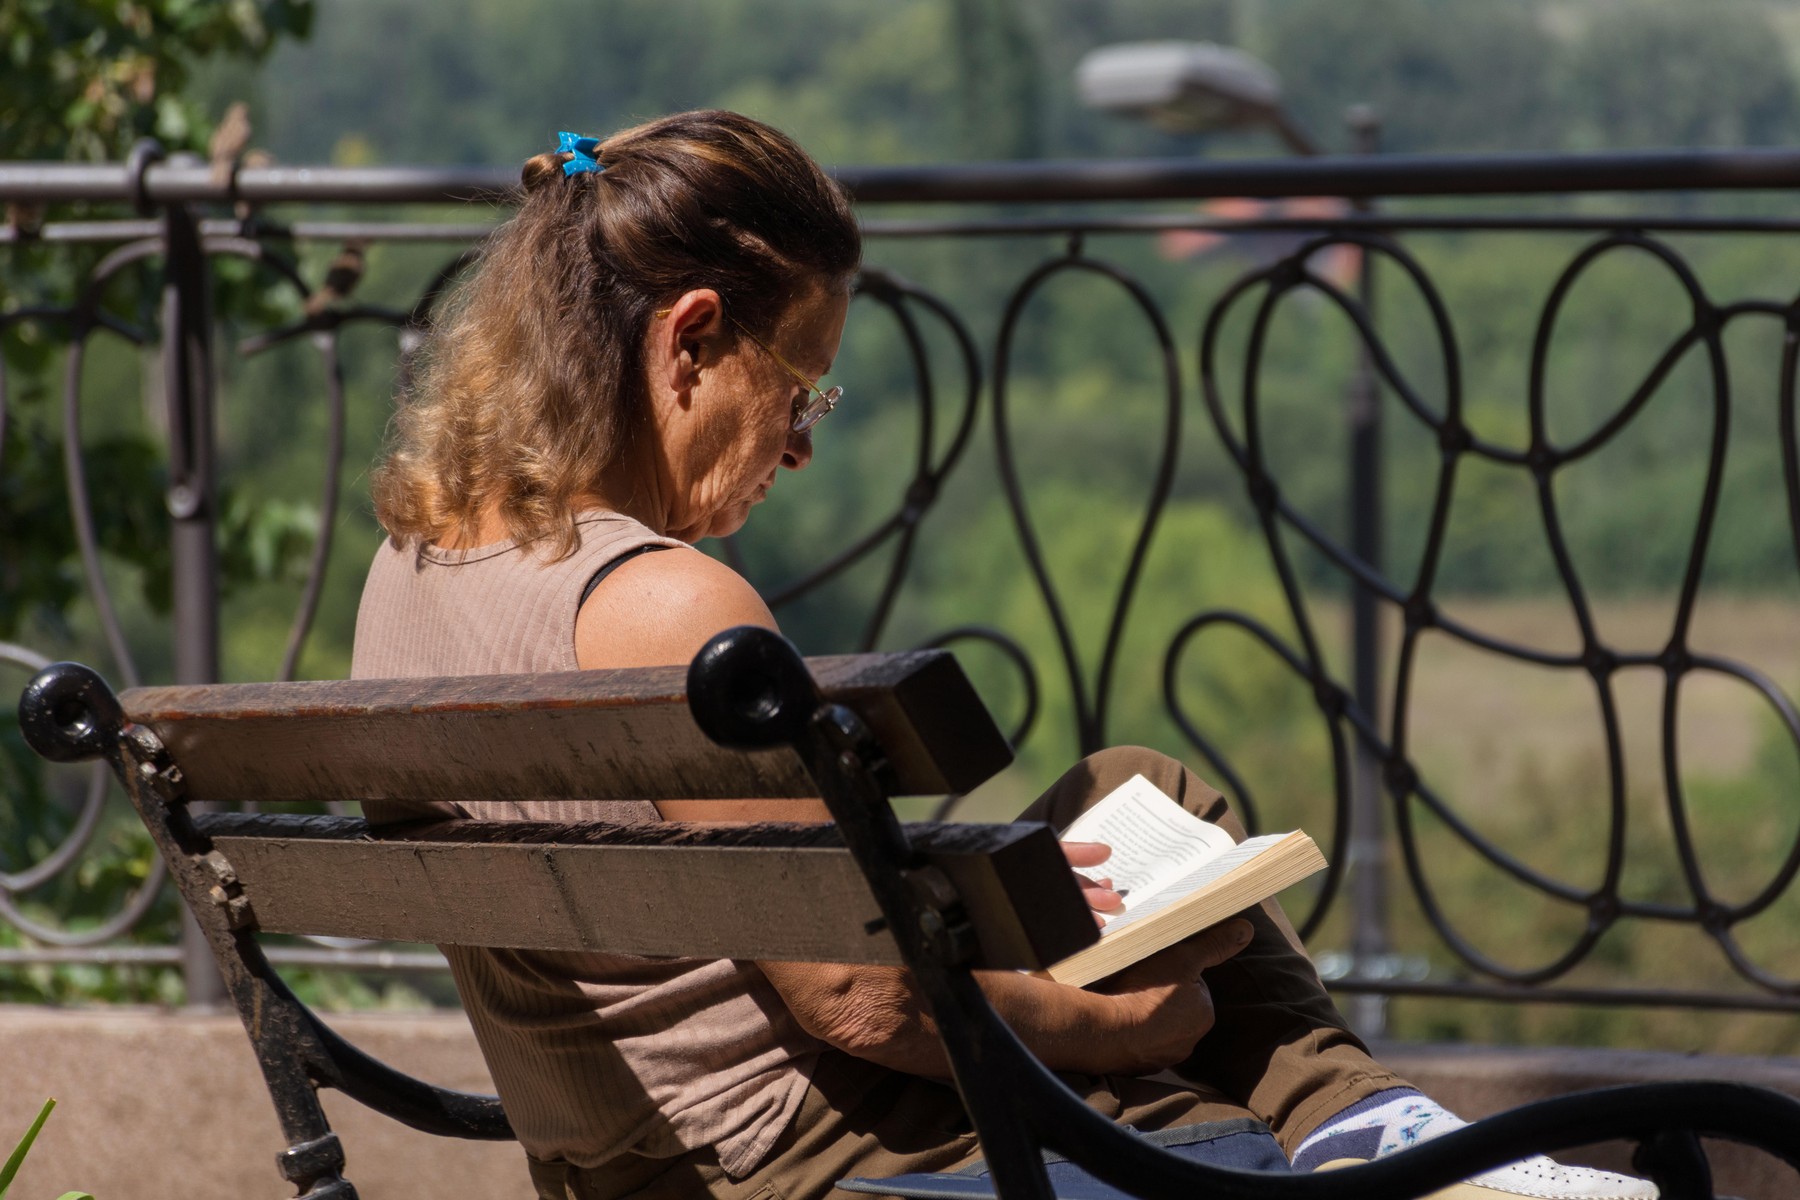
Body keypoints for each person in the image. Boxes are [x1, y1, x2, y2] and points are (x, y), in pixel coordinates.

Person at [350, 111, 1657, 1200]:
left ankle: (1367, 1129)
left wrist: (955, 895)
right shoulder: (667, 608)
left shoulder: (407, 572)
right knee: (1176, 967)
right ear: (690, 340)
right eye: (799, 387)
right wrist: (1121, 1027)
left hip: (616, 1155)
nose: (799, 445)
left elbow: (703, 902)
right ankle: (1366, 1138)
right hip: (828, 1155)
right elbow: (867, 1009)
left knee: (1136, 792)